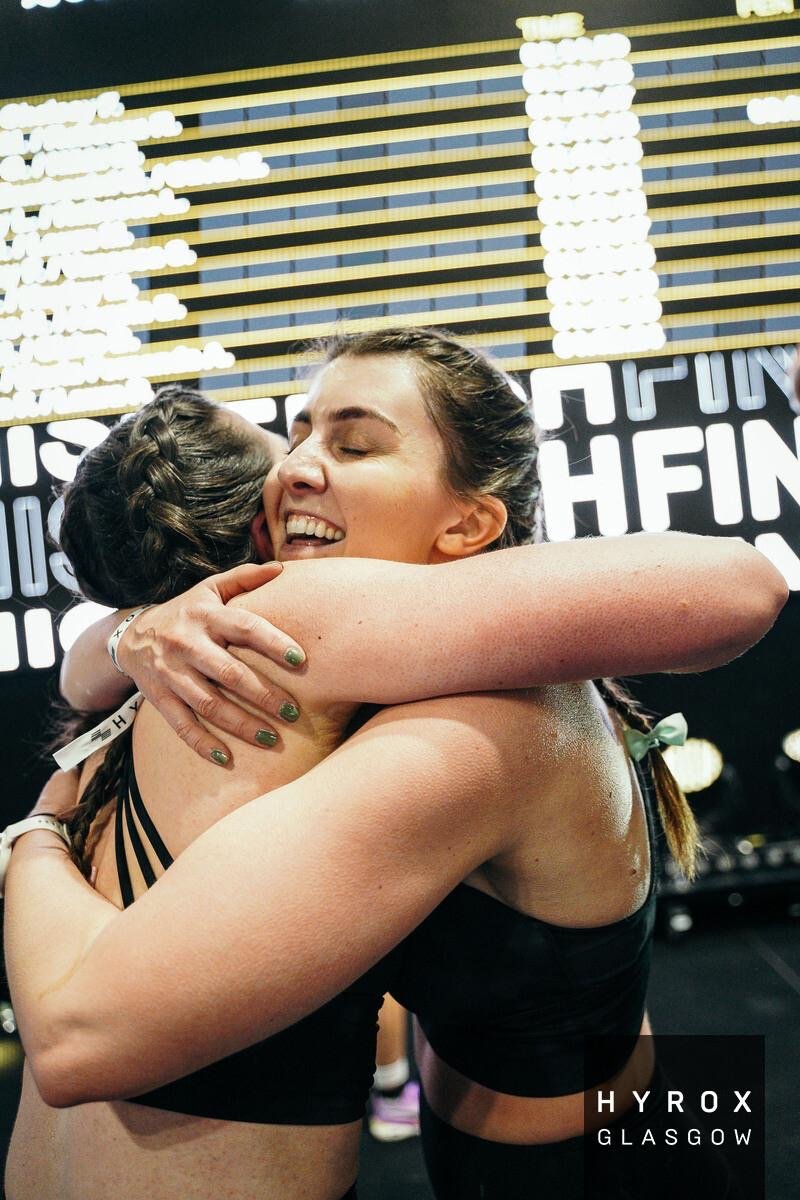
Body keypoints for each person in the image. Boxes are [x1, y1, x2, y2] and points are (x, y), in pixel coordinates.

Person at [4, 330, 786, 1200]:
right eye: (298, 436)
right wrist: (129, 631)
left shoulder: (481, 708)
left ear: (468, 524)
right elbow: (88, 657)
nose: (296, 467)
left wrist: (37, 831)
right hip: (565, 1126)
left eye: (354, 443)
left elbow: (741, 585)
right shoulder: (370, 668)